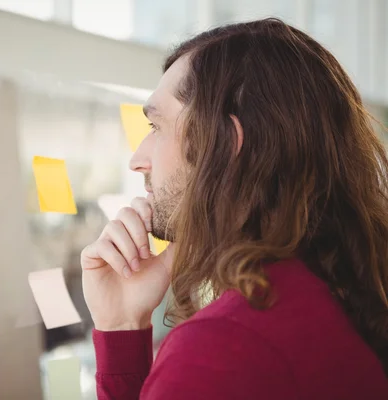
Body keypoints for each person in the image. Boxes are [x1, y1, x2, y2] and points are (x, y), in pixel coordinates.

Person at [80, 18, 388, 399]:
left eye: (156, 127)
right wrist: (122, 322)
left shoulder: (222, 347)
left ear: (225, 143)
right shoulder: (347, 290)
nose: (138, 160)